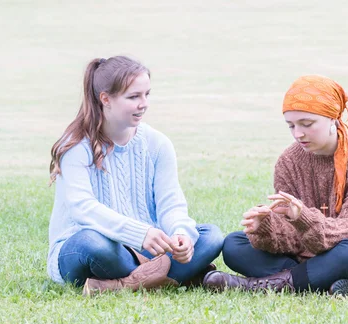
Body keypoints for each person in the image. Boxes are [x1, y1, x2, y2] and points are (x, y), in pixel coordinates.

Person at [203, 75, 348, 296]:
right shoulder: (288, 161)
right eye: (291, 126)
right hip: (305, 255)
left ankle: (256, 286)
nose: (298, 134)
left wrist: (304, 219)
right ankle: (322, 280)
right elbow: (291, 236)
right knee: (235, 244)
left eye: (307, 124)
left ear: (333, 118)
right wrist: (267, 227)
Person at [47, 56, 223, 296]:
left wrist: (181, 234)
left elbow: (170, 203)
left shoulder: (157, 144)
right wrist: (139, 234)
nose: (144, 104)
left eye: (147, 95)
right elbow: (83, 209)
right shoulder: (76, 147)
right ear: (105, 99)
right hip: (88, 249)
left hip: (149, 250)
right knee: (94, 244)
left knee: (210, 236)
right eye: (133, 97)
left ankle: (119, 286)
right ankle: (174, 275)